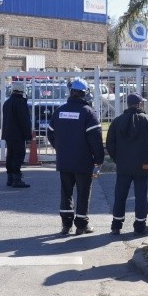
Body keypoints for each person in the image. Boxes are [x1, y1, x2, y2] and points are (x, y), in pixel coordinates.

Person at [47, 78, 105, 235]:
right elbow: (96, 140)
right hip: (83, 161)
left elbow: (50, 133)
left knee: (66, 193)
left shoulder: (60, 111)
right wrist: (99, 159)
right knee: (83, 193)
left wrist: (60, 148)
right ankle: (81, 225)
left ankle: (66, 225)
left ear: (71, 92)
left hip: (64, 160)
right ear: (84, 94)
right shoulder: (88, 113)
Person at [107, 93, 148, 235]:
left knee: (120, 194)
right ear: (139, 104)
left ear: (128, 104)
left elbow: (110, 144)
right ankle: (139, 225)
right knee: (141, 195)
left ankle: (116, 225)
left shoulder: (117, 121)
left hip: (123, 165)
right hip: (142, 164)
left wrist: (117, 159)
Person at [2, 81, 32, 188]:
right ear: (22, 90)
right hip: (18, 134)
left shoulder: (7, 102)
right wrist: (28, 136)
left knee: (10, 155)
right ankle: (16, 179)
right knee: (18, 155)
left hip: (8, 133)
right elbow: (25, 121)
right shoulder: (20, 103)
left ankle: (10, 178)